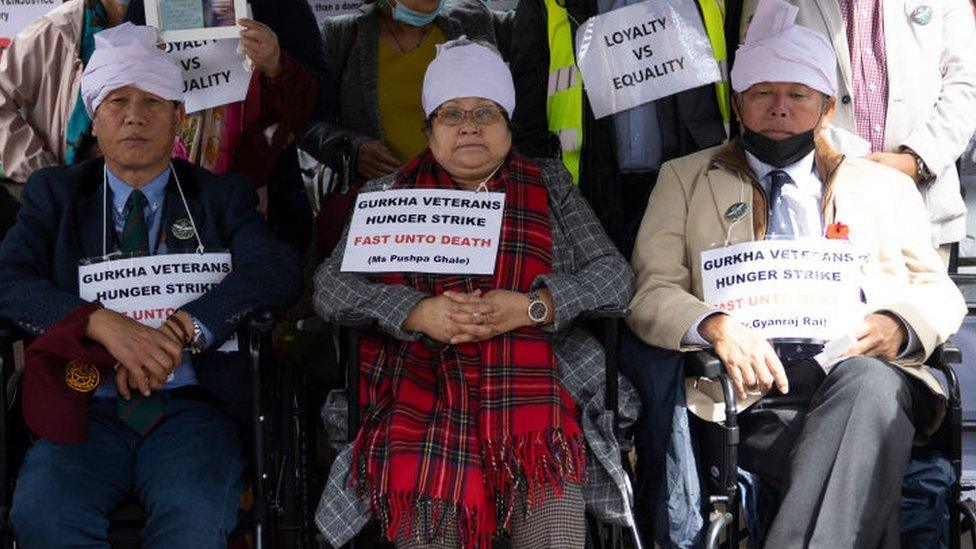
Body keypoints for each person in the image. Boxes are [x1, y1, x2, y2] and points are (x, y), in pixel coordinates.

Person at [627, 0, 966, 546]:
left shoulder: (884, 185)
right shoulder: (686, 179)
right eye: (762, 93)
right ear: (738, 104)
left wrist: (897, 325)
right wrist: (714, 325)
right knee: (863, 455)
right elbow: (651, 293)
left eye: (797, 95)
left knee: (870, 387)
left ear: (827, 107)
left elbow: (938, 290)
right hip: (748, 396)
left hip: (856, 371)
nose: (778, 107)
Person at [313, 38, 637, 549]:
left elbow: (614, 275)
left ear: (508, 124)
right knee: (428, 509)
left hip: (536, 395)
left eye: (485, 111)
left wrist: (533, 307)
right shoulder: (385, 195)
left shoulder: (549, 185)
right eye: (450, 114)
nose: (468, 124)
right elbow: (330, 287)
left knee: (556, 525)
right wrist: (415, 312)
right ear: (429, 130)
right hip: (418, 388)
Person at [0, 24, 302, 545]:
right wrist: (98, 324)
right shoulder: (56, 195)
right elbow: (8, 281)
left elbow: (276, 271)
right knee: (45, 517)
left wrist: (187, 325)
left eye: (153, 102)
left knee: (194, 520)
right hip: (84, 403)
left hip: (192, 408)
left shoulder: (219, 196)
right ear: (94, 119)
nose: (134, 115)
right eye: (117, 101)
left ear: (179, 118)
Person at [0, 0, 331, 254]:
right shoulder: (147, 5)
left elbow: (324, 101)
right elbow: (130, 88)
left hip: (257, 200)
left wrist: (276, 65)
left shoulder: (277, 4)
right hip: (157, 203)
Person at [742, 0, 976, 262]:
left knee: (918, 300)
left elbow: (966, 87)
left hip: (922, 208)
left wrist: (917, 160)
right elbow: (759, 88)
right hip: (817, 210)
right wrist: (845, 165)